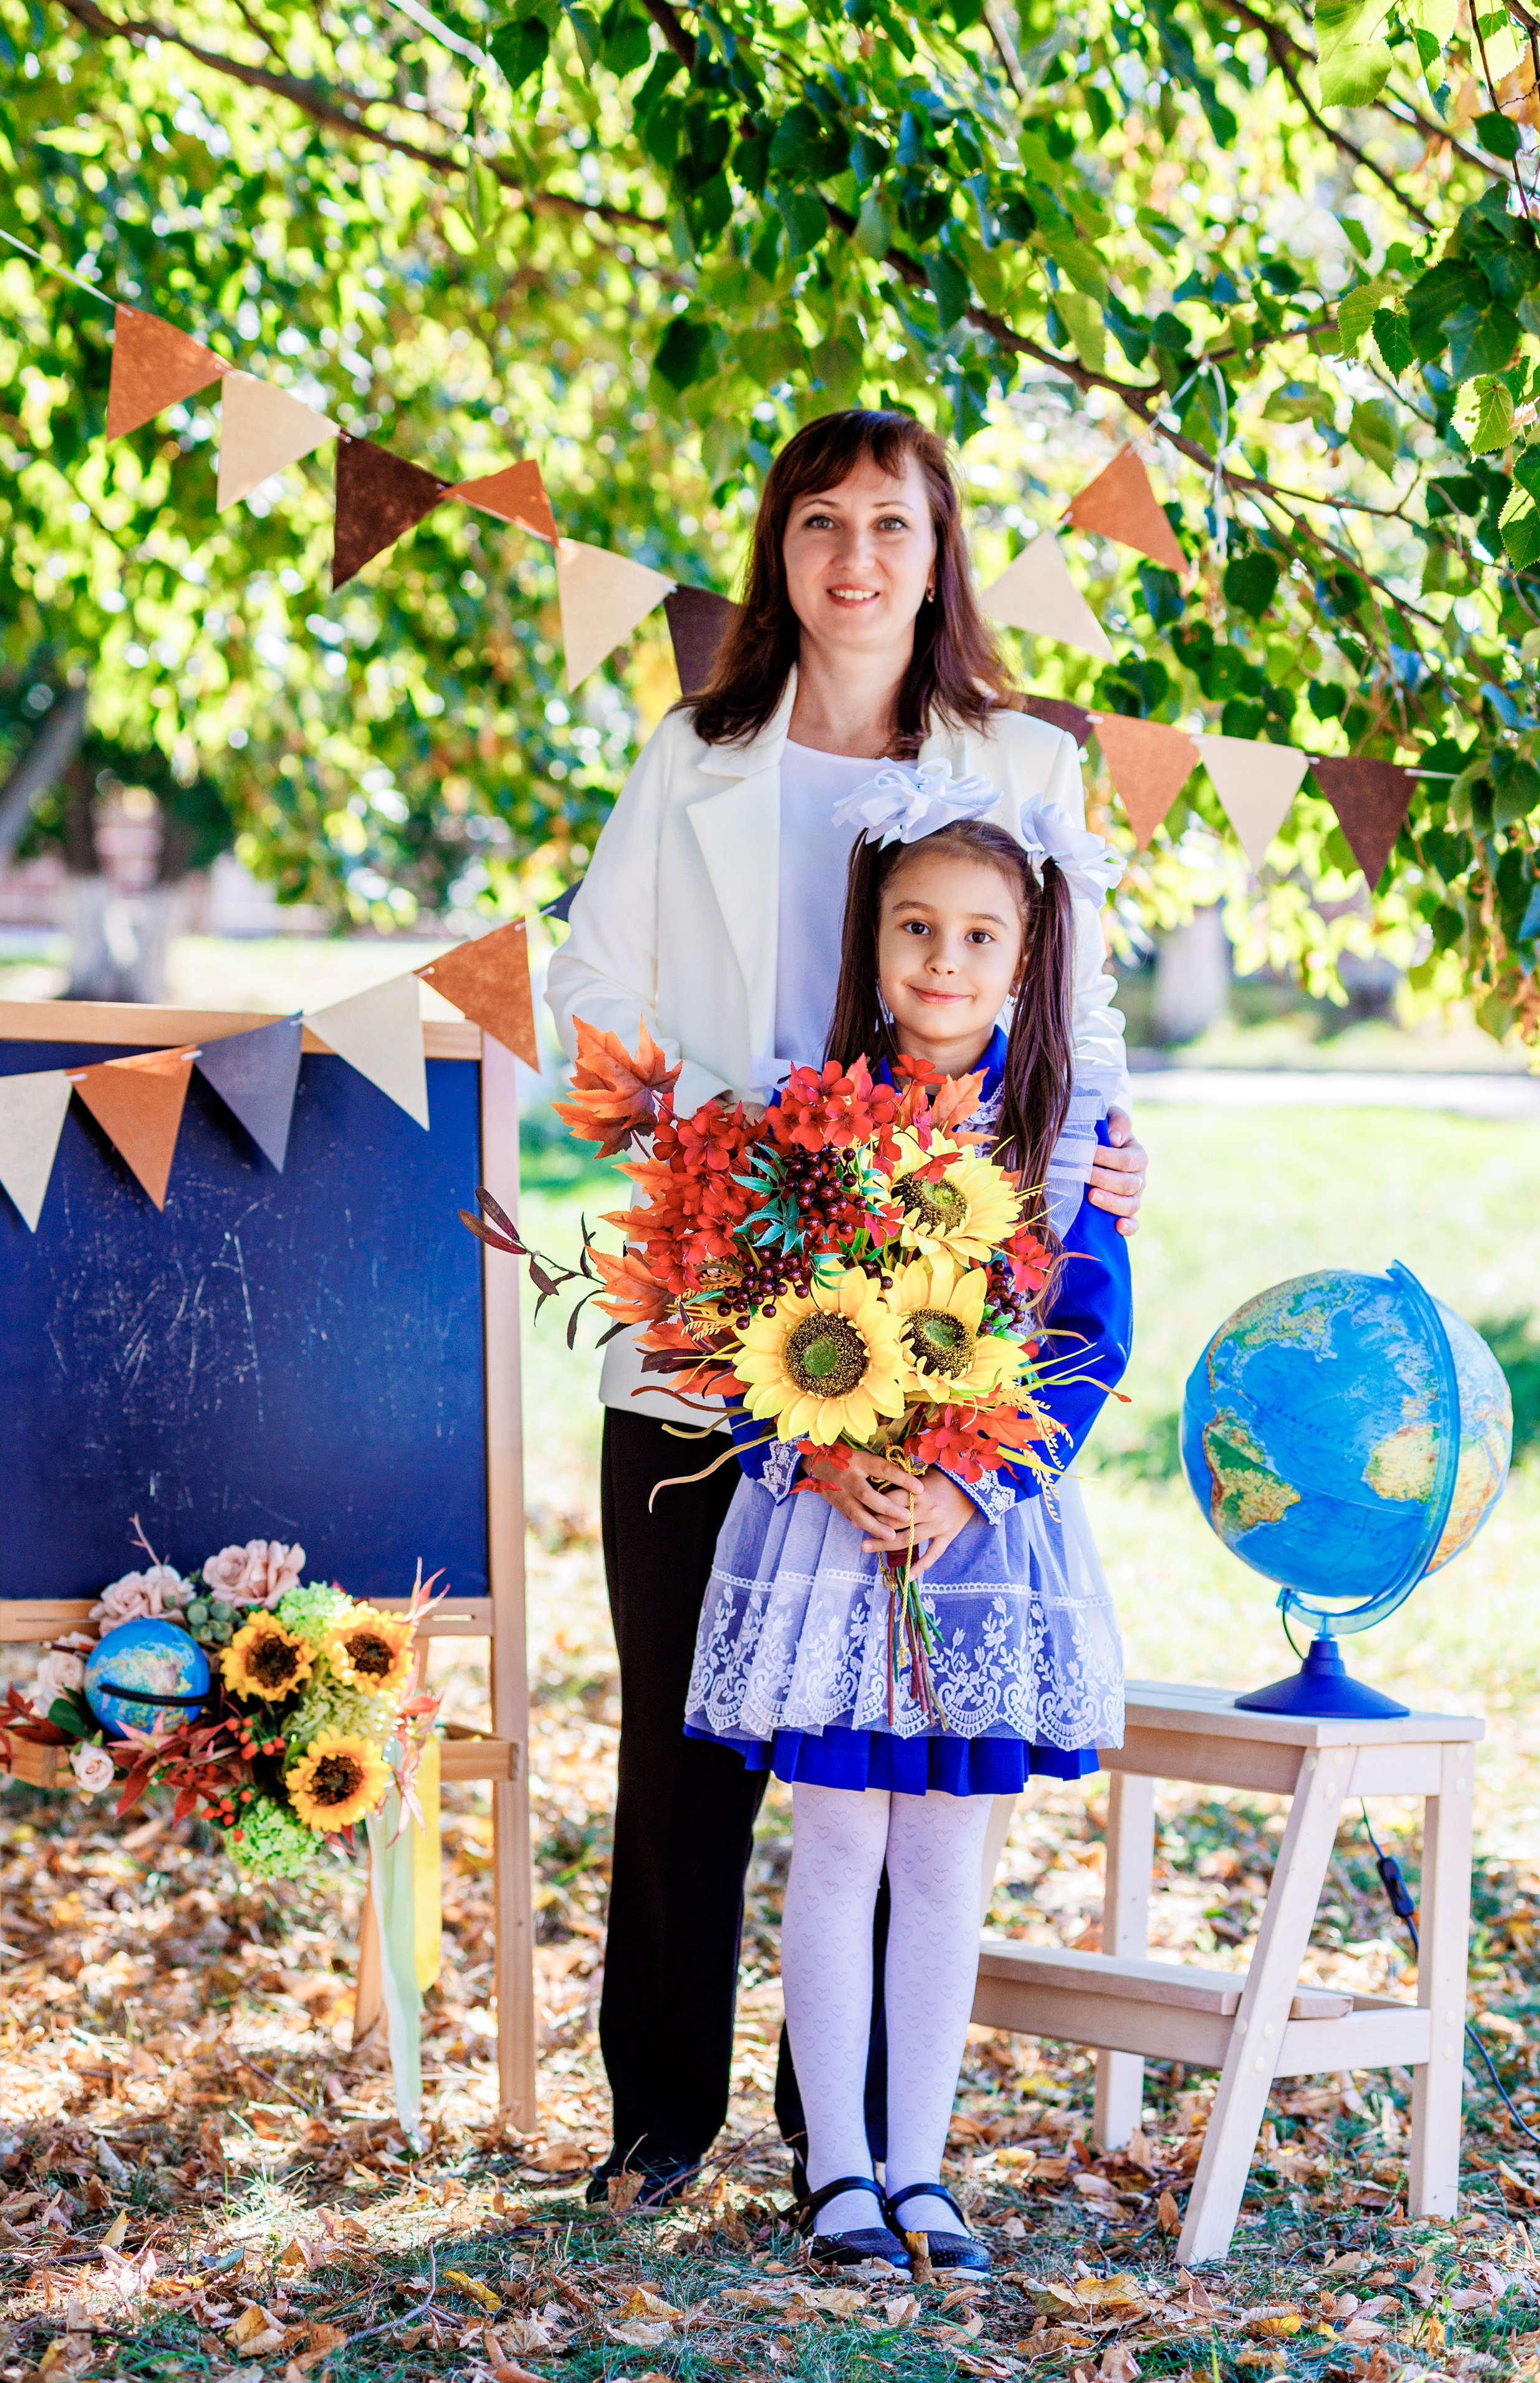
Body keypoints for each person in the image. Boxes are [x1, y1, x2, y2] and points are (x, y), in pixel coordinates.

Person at [545, 408, 1146, 2205]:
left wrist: (1101, 1164)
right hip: (718, 1306)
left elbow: (1079, 1021)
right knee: (686, 1727)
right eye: (821, 522)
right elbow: (590, 991)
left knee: (888, 1743)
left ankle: (859, 2145)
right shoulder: (696, 756)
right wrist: (718, 1167)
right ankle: (660, 2120)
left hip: (939, 1321)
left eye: (892, 522)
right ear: (778, 551)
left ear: (939, 551)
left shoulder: (1018, 760)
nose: (857, 556)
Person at [684, 795, 1130, 2271]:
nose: (944, 960)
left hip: (979, 1538)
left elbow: (1088, 1339)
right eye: (916, 928)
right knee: (834, 1839)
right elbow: (733, 1323)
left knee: (944, 1855)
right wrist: (823, 1461)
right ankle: (834, 2174)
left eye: (979, 937)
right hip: (831, 1526)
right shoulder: (795, 1122)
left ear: (1026, 959)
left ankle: (921, 2169)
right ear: (872, 942)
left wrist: (966, 1488)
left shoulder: (1067, 1138)